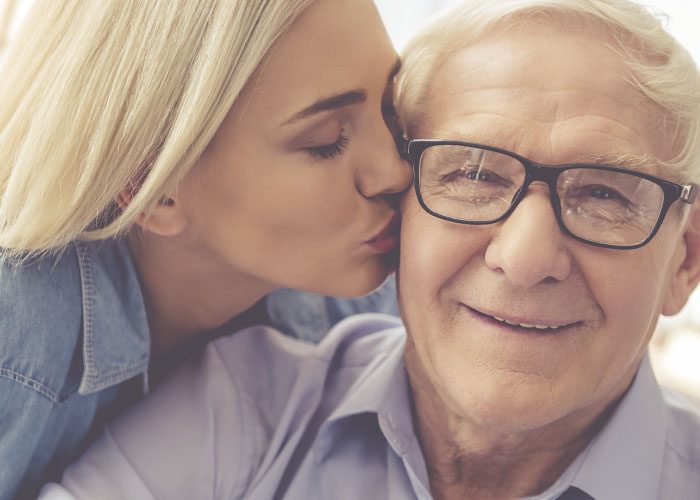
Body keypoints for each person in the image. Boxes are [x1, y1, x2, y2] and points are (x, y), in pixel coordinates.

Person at [39, 0, 700, 498]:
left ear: (687, 259)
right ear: (407, 207)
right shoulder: (238, 406)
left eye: (608, 196)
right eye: (471, 175)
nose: (525, 259)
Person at [0, 0, 411, 497]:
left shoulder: (358, 307)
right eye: (325, 140)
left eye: (392, 108)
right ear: (151, 185)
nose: (396, 171)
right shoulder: (16, 332)